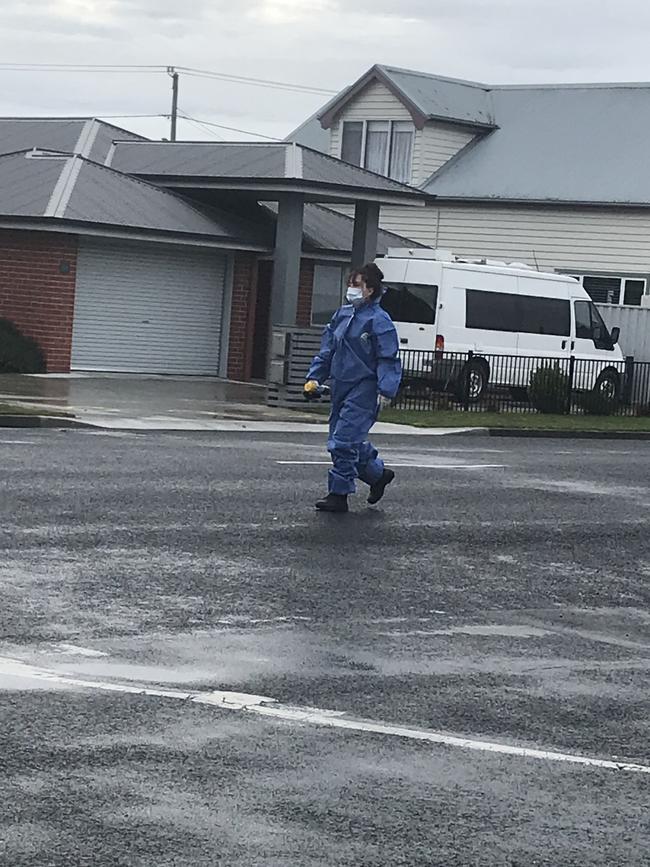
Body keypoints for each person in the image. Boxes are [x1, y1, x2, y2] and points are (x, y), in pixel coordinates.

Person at [304, 262, 402, 513]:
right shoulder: (343, 315)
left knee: (343, 442)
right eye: (350, 284)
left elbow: (388, 358)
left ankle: (339, 494)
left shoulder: (380, 321)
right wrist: (314, 378)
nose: (351, 289)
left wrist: (386, 389)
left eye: (356, 284)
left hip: (365, 388)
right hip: (342, 386)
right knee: (348, 442)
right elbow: (327, 351)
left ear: (370, 289)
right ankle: (378, 475)